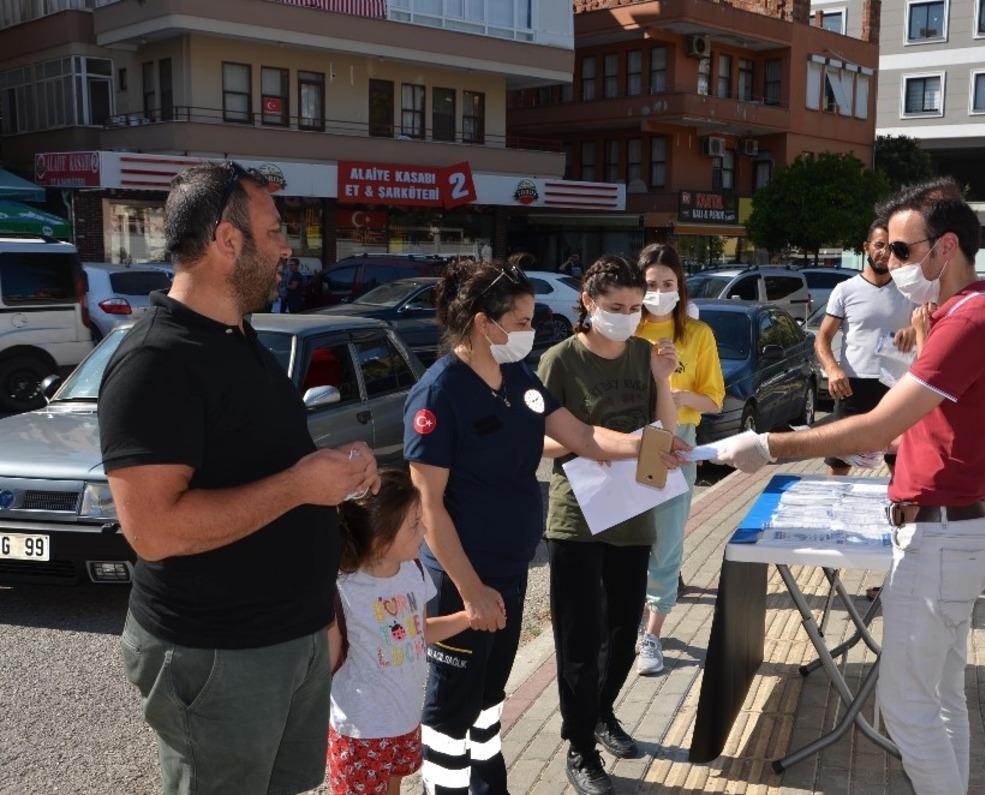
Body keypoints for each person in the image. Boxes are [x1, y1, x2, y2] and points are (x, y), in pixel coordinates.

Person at [715, 178, 985, 795]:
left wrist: (771, 445)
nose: (891, 262)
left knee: (908, 705)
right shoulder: (966, 315)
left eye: (904, 251)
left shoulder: (971, 320)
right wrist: (884, 448)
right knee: (938, 697)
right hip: (951, 528)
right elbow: (927, 427)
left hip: (943, 535)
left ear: (947, 247)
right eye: (886, 252)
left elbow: (885, 417)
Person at [98, 161, 380, 795]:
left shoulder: (239, 338)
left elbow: (262, 465)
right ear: (228, 240)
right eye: (276, 231)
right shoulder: (155, 362)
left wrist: (335, 477)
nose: (288, 248)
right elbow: (153, 530)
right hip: (220, 652)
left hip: (287, 637)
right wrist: (299, 487)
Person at [405, 259, 686, 795]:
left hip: (508, 572)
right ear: (483, 322)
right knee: (451, 709)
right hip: (464, 579)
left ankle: (489, 787)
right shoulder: (439, 395)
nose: (530, 331)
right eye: (521, 320)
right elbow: (429, 508)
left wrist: (652, 446)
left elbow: (581, 436)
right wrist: (470, 593)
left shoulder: (518, 379)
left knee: (489, 701)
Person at [536, 256, 680, 795]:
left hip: (634, 510)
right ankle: (580, 746)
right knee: (580, 637)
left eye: (634, 308)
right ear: (588, 303)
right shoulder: (560, 361)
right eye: (615, 307)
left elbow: (666, 434)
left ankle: (601, 712)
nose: (626, 317)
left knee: (622, 635)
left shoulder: (646, 355)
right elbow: (537, 439)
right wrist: (586, 444)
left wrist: (664, 381)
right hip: (578, 517)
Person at [327, 467, 470, 795]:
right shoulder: (344, 587)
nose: (423, 531)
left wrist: (466, 618)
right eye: (414, 525)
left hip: (403, 721)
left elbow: (419, 633)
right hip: (360, 732)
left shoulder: (413, 570)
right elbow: (323, 661)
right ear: (379, 541)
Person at [632, 243, 725, 676]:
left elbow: (715, 400)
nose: (659, 292)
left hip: (675, 440)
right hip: (627, 441)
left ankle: (653, 632)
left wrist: (675, 393)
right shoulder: (624, 328)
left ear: (680, 286)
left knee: (666, 540)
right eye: (650, 284)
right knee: (627, 536)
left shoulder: (696, 334)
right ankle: (626, 622)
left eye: (667, 284)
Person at [816, 220, 916, 476]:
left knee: (901, 466)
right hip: (853, 386)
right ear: (866, 247)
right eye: (879, 245)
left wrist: (914, 331)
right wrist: (832, 369)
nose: (885, 252)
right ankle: (833, 512)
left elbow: (934, 325)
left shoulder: (910, 291)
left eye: (892, 247)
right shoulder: (845, 290)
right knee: (840, 464)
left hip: (897, 387)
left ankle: (902, 515)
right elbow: (822, 338)